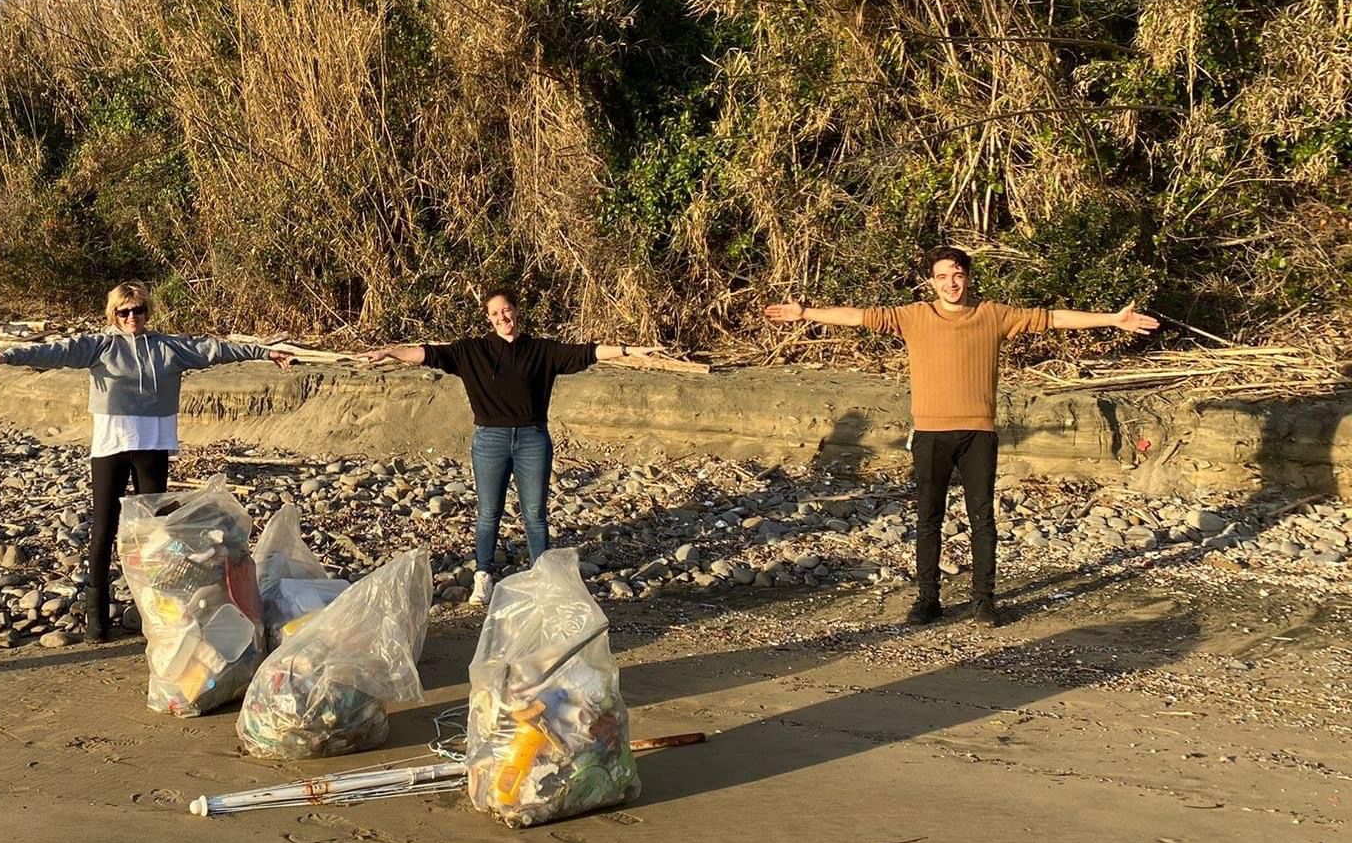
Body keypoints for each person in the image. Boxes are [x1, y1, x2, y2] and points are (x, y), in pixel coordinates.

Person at [764, 245, 1159, 625]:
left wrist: (1111, 318)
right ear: (931, 282)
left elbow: (1051, 317)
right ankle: (928, 600)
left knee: (982, 519)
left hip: (977, 432)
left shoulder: (993, 314)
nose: (950, 283)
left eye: (957, 275)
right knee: (928, 518)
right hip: (931, 433)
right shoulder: (913, 316)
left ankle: (984, 601)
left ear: (967, 278)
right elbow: (861, 316)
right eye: (942, 277)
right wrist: (805, 313)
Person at [0, 281, 293, 643]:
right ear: (113, 314)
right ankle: (96, 624)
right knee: (103, 531)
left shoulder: (168, 347)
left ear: (147, 312)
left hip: (152, 447)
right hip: (111, 447)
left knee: (154, 534)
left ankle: (158, 617)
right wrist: (7, 356)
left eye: (139, 310)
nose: (132, 318)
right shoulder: (99, 345)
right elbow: (56, 351)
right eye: (124, 312)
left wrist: (265, 352)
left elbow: (215, 349)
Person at [363, 288, 672, 607]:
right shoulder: (471, 351)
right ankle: (483, 575)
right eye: (495, 313)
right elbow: (426, 353)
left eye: (506, 310)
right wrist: (388, 351)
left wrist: (628, 350)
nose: (502, 317)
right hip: (489, 439)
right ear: (488, 318)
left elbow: (587, 353)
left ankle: (542, 577)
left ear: (517, 310)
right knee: (488, 513)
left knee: (535, 513)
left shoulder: (541, 350)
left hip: (533, 438)